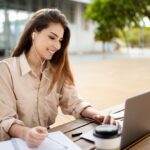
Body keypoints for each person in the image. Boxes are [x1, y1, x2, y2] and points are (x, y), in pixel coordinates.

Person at [0, 8, 117, 147]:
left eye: (60, 40)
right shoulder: (5, 70)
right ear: (34, 34)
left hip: (45, 142)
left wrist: (97, 115)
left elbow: (74, 103)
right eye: (52, 37)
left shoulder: (56, 70)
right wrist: (27, 133)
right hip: (12, 144)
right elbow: (5, 120)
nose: (57, 46)